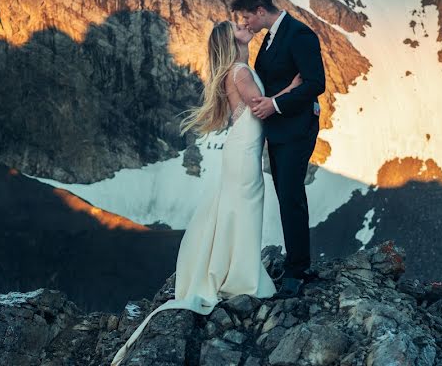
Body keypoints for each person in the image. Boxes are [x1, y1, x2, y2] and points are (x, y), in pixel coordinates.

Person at [110, 20, 302, 365]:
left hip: (241, 151)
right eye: (237, 26)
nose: (244, 24)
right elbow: (260, 107)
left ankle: (233, 267)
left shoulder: (237, 68)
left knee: (237, 210)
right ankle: (241, 275)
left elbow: (252, 94)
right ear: (232, 40)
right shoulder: (240, 72)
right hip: (243, 154)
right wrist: (293, 89)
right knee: (243, 210)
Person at [232, 0, 326, 299]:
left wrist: (276, 104)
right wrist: (244, 47)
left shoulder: (299, 34)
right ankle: (297, 264)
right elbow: (261, 79)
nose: (245, 23)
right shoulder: (271, 37)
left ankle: (297, 271)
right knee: (286, 194)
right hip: (279, 130)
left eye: (247, 16)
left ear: (260, 9)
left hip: (297, 127)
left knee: (290, 195)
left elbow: (316, 83)